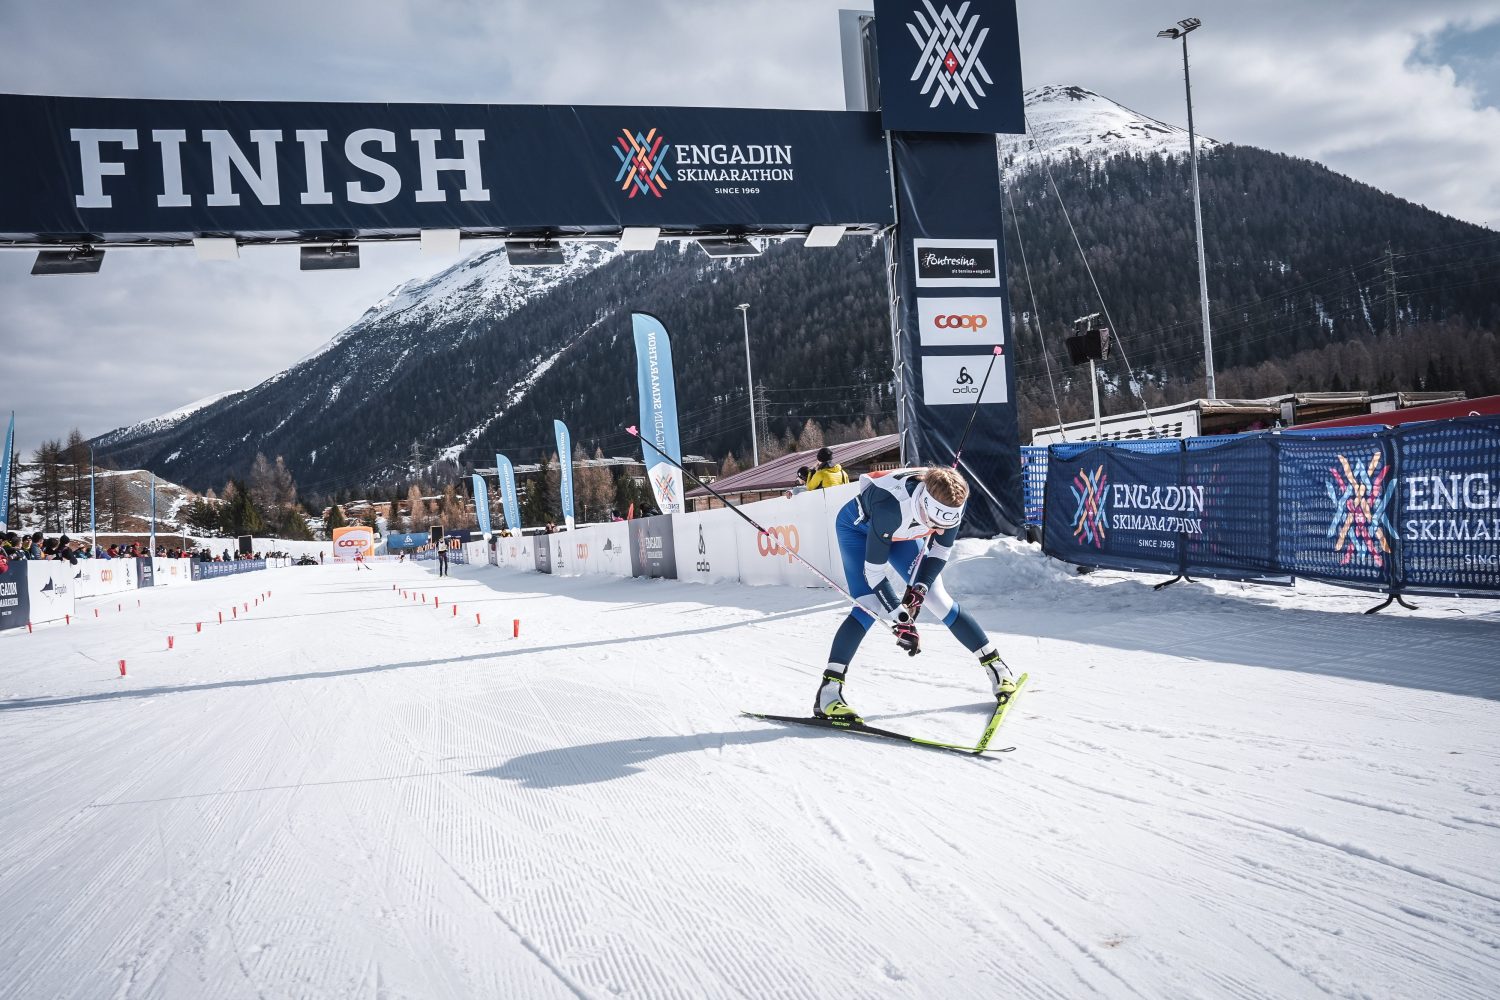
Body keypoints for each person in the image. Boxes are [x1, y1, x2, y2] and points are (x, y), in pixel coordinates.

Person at [814, 466, 1018, 722]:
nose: (942, 531)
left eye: (948, 524)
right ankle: (829, 691)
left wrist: (919, 588)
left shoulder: (952, 499)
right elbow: (874, 573)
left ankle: (997, 668)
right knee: (868, 605)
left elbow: (940, 551)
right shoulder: (891, 507)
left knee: (935, 596)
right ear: (923, 504)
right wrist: (901, 620)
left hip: (906, 531)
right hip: (860, 530)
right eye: (936, 524)